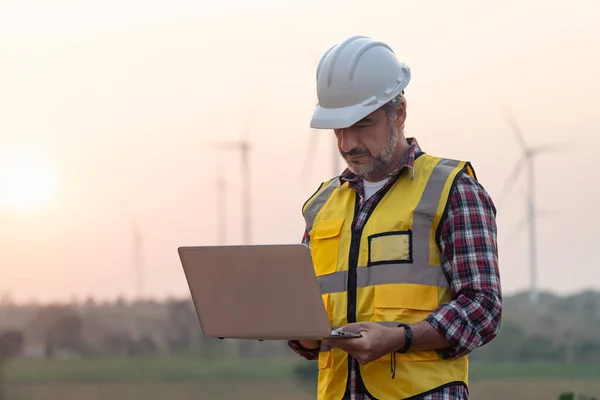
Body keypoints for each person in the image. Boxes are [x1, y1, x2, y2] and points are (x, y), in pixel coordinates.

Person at [287, 36, 502, 400]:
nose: (346, 143)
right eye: (338, 128)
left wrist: (400, 338)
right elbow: (307, 331)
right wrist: (299, 330)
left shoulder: (452, 190)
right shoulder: (322, 205)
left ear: (398, 113)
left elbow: (482, 309)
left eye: (362, 125)